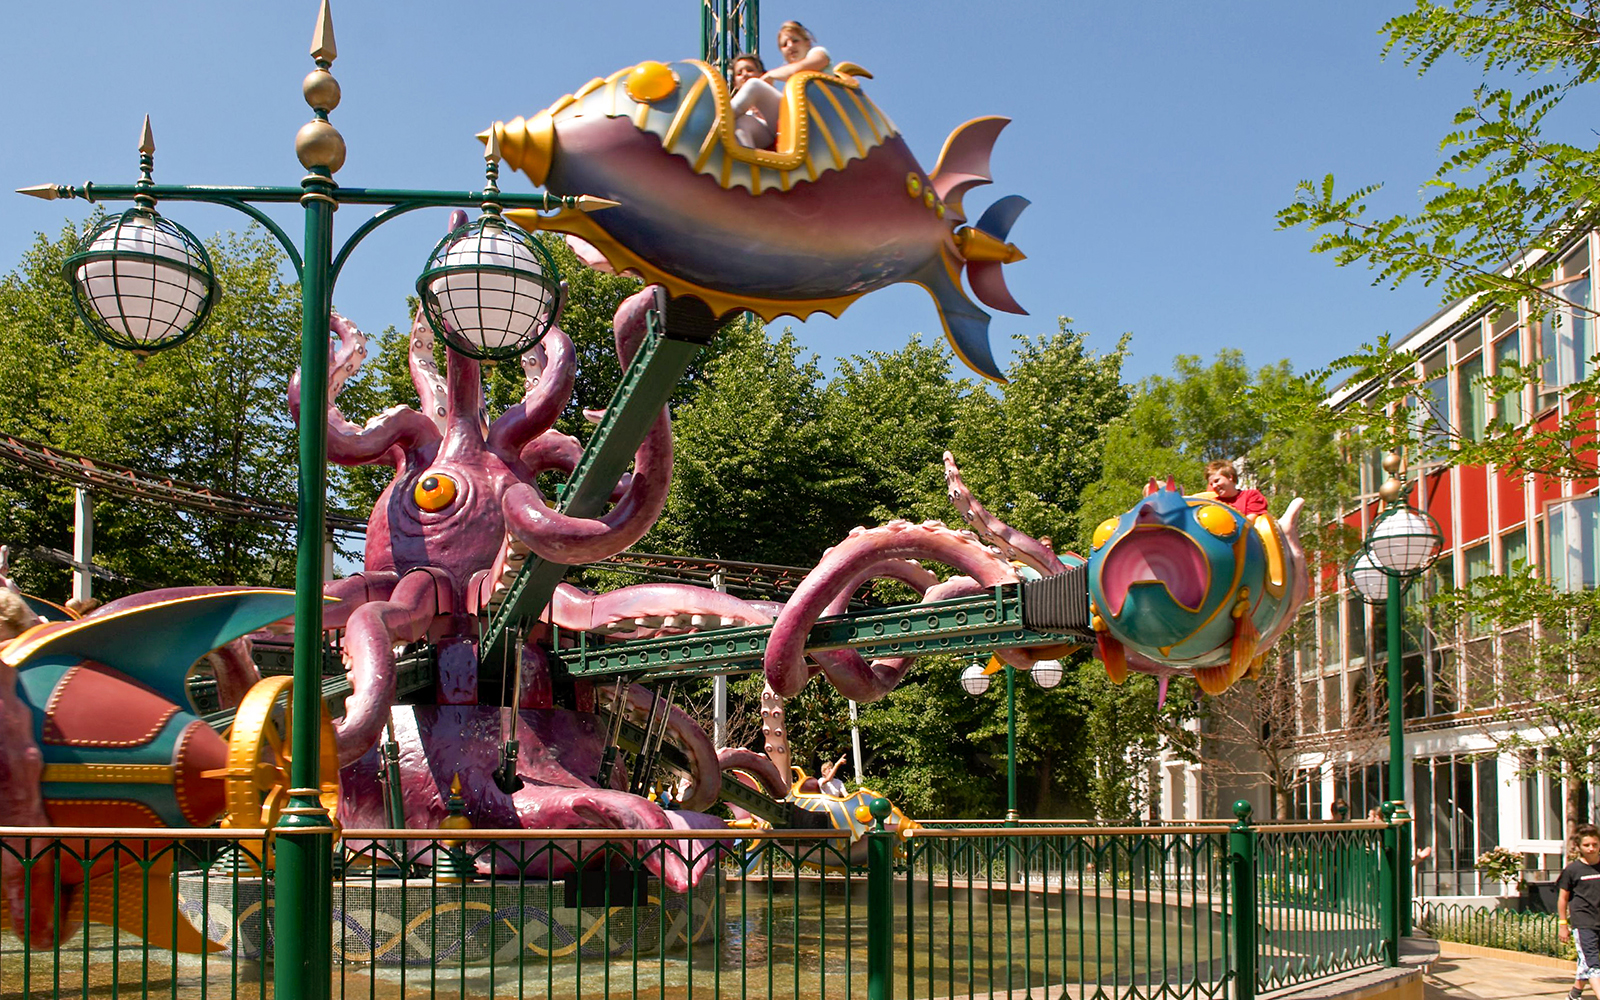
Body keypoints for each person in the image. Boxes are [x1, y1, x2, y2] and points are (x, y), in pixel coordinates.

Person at [729, 21, 834, 149]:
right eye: (784, 45)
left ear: (807, 43)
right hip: (790, 125)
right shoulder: (786, 75)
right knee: (742, 123)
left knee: (754, 85)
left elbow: (799, 69)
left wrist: (770, 76)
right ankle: (746, 166)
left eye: (795, 40)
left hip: (816, 121)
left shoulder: (817, 53)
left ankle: (717, 120)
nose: (790, 46)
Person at [1559, 824, 1600, 1000]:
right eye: (1587, 845)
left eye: (1595, 844)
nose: (1591, 848)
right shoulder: (1572, 870)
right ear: (1579, 847)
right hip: (1584, 923)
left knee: (1586, 962)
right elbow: (1563, 899)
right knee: (1593, 964)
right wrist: (1563, 925)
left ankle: (1574, 994)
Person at [1204, 459, 1268, 517]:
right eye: (1211, 484)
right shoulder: (1213, 503)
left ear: (1230, 477)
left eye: (1217, 481)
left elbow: (1249, 522)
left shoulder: (1251, 495)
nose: (1214, 486)